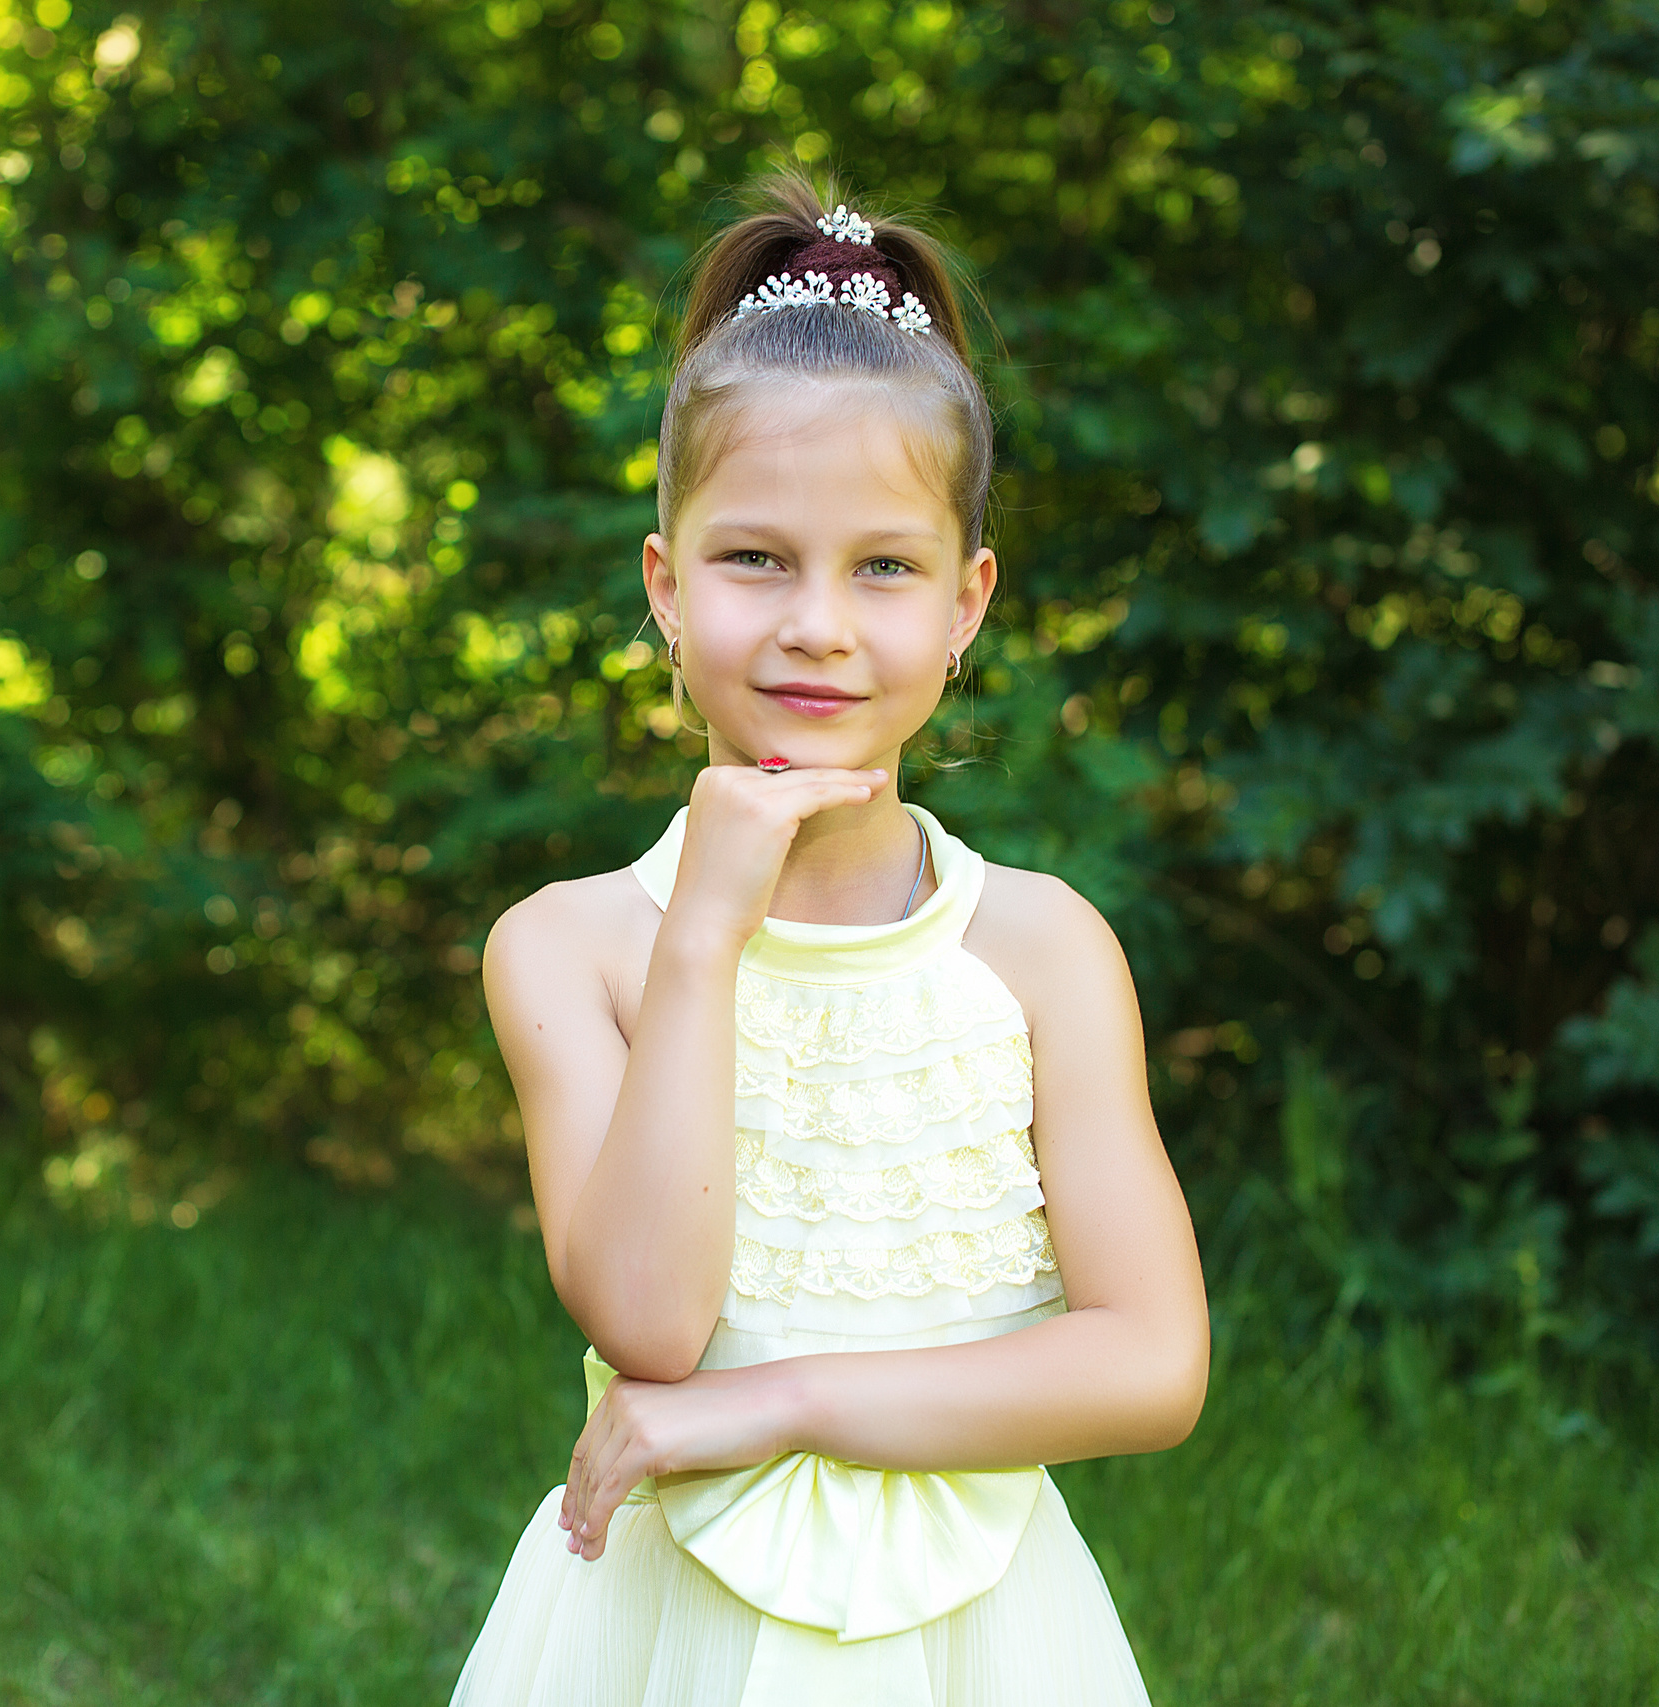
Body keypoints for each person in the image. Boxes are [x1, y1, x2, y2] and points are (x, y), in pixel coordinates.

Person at [450, 171, 1209, 1707]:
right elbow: (655, 1325)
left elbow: (1150, 1365)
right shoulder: (570, 949)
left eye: (884, 567)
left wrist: (777, 1405)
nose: (818, 623)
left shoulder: (1043, 952)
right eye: (754, 559)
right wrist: (708, 932)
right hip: (658, 1636)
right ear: (664, 587)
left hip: (980, 1640)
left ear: (966, 605)